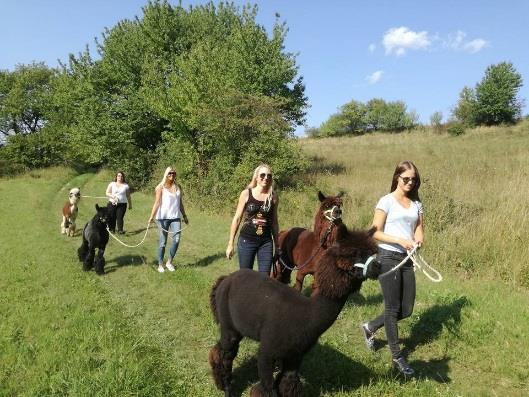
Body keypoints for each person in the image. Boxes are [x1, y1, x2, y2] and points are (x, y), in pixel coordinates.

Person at [361, 160, 424, 376]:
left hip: (407, 258)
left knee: (406, 309)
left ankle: (370, 327)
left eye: (413, 179)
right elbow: (374, 232)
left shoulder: (416, 203)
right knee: (392, 308)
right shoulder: (386, 201)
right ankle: (397, 357)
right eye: (406, 178)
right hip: (388, 255)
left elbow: (418, 229)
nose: (409, 182)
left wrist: (417, 240)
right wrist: (399, 240)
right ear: (397, 177)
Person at [226, 164, 279, 275]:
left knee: (264, 279)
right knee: (246, 276)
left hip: (266, 242)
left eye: (269, 175)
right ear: (256, 177)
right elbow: (237, 219)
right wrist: (230, 244)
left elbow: (274, 222)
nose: (266, 178)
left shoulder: (273, 197)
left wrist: (277, 246)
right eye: (262, 175)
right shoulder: (246, 194)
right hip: (247, 240)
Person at [147, 167, 189, 273]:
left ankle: (169, 262)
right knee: (163, 242)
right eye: (170, 173)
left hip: (175, 217)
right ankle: (160, 264)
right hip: (163, 218)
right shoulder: (161, 187)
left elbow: (180, 203)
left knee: (176, 240)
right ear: (166, 174)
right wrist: (151, 216)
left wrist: (184, 215)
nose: (172, 174)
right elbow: (157, 202)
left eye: (174, 173)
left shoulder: (178, 187)